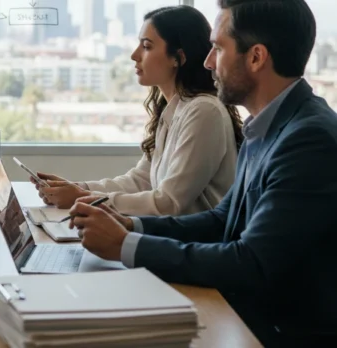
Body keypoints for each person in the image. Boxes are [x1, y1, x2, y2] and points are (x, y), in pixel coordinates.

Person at [67, 0, 337, 346]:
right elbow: (222, 220)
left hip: (280, 332)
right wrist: (133, 226)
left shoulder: (308, 139)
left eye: (217, 48)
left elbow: (250, 263)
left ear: (256, 57)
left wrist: (126, 246)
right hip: (245, 313)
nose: (208, 62)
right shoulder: (271, 125)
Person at [33, 6, 243, 217]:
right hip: (173, 237)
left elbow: (168, 202)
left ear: (178, 57)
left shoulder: (204, 111)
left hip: (197, 244)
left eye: (146, 46)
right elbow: (140, 180)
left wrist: (81, 198)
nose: (135, 55)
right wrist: (79, 188)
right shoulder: (174, 110)